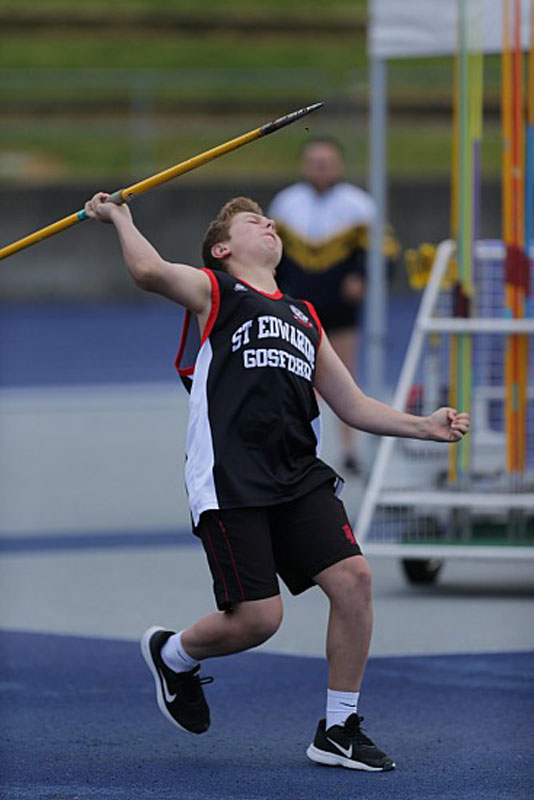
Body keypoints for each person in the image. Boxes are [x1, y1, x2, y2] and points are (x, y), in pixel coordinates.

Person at [84, 191, 469, 772]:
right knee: (259, 620)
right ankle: (173, 653)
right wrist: (119, 216)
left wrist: (424, 425)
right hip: (231, 474)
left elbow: (353, 405)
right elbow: (148, 271)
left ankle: (338, 729)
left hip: (298, 474)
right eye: (251, 221)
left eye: (268, 219)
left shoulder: (303, 315)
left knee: (355, 580)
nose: (269, 223)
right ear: (222, 249)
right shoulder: (216, 292)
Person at [269, 137, 398, 476]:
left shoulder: (359, 204)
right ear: (304, 166)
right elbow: (269, 254)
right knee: (295, 377)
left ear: (338, 165)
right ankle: (297, 447)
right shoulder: (286, 204)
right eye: (315, 162)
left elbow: (385, 251)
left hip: (340, 305)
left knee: (343, 377)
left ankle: (349, 449)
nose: (321, 168)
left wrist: (362, 277)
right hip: (295, 305)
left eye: (327, 162)